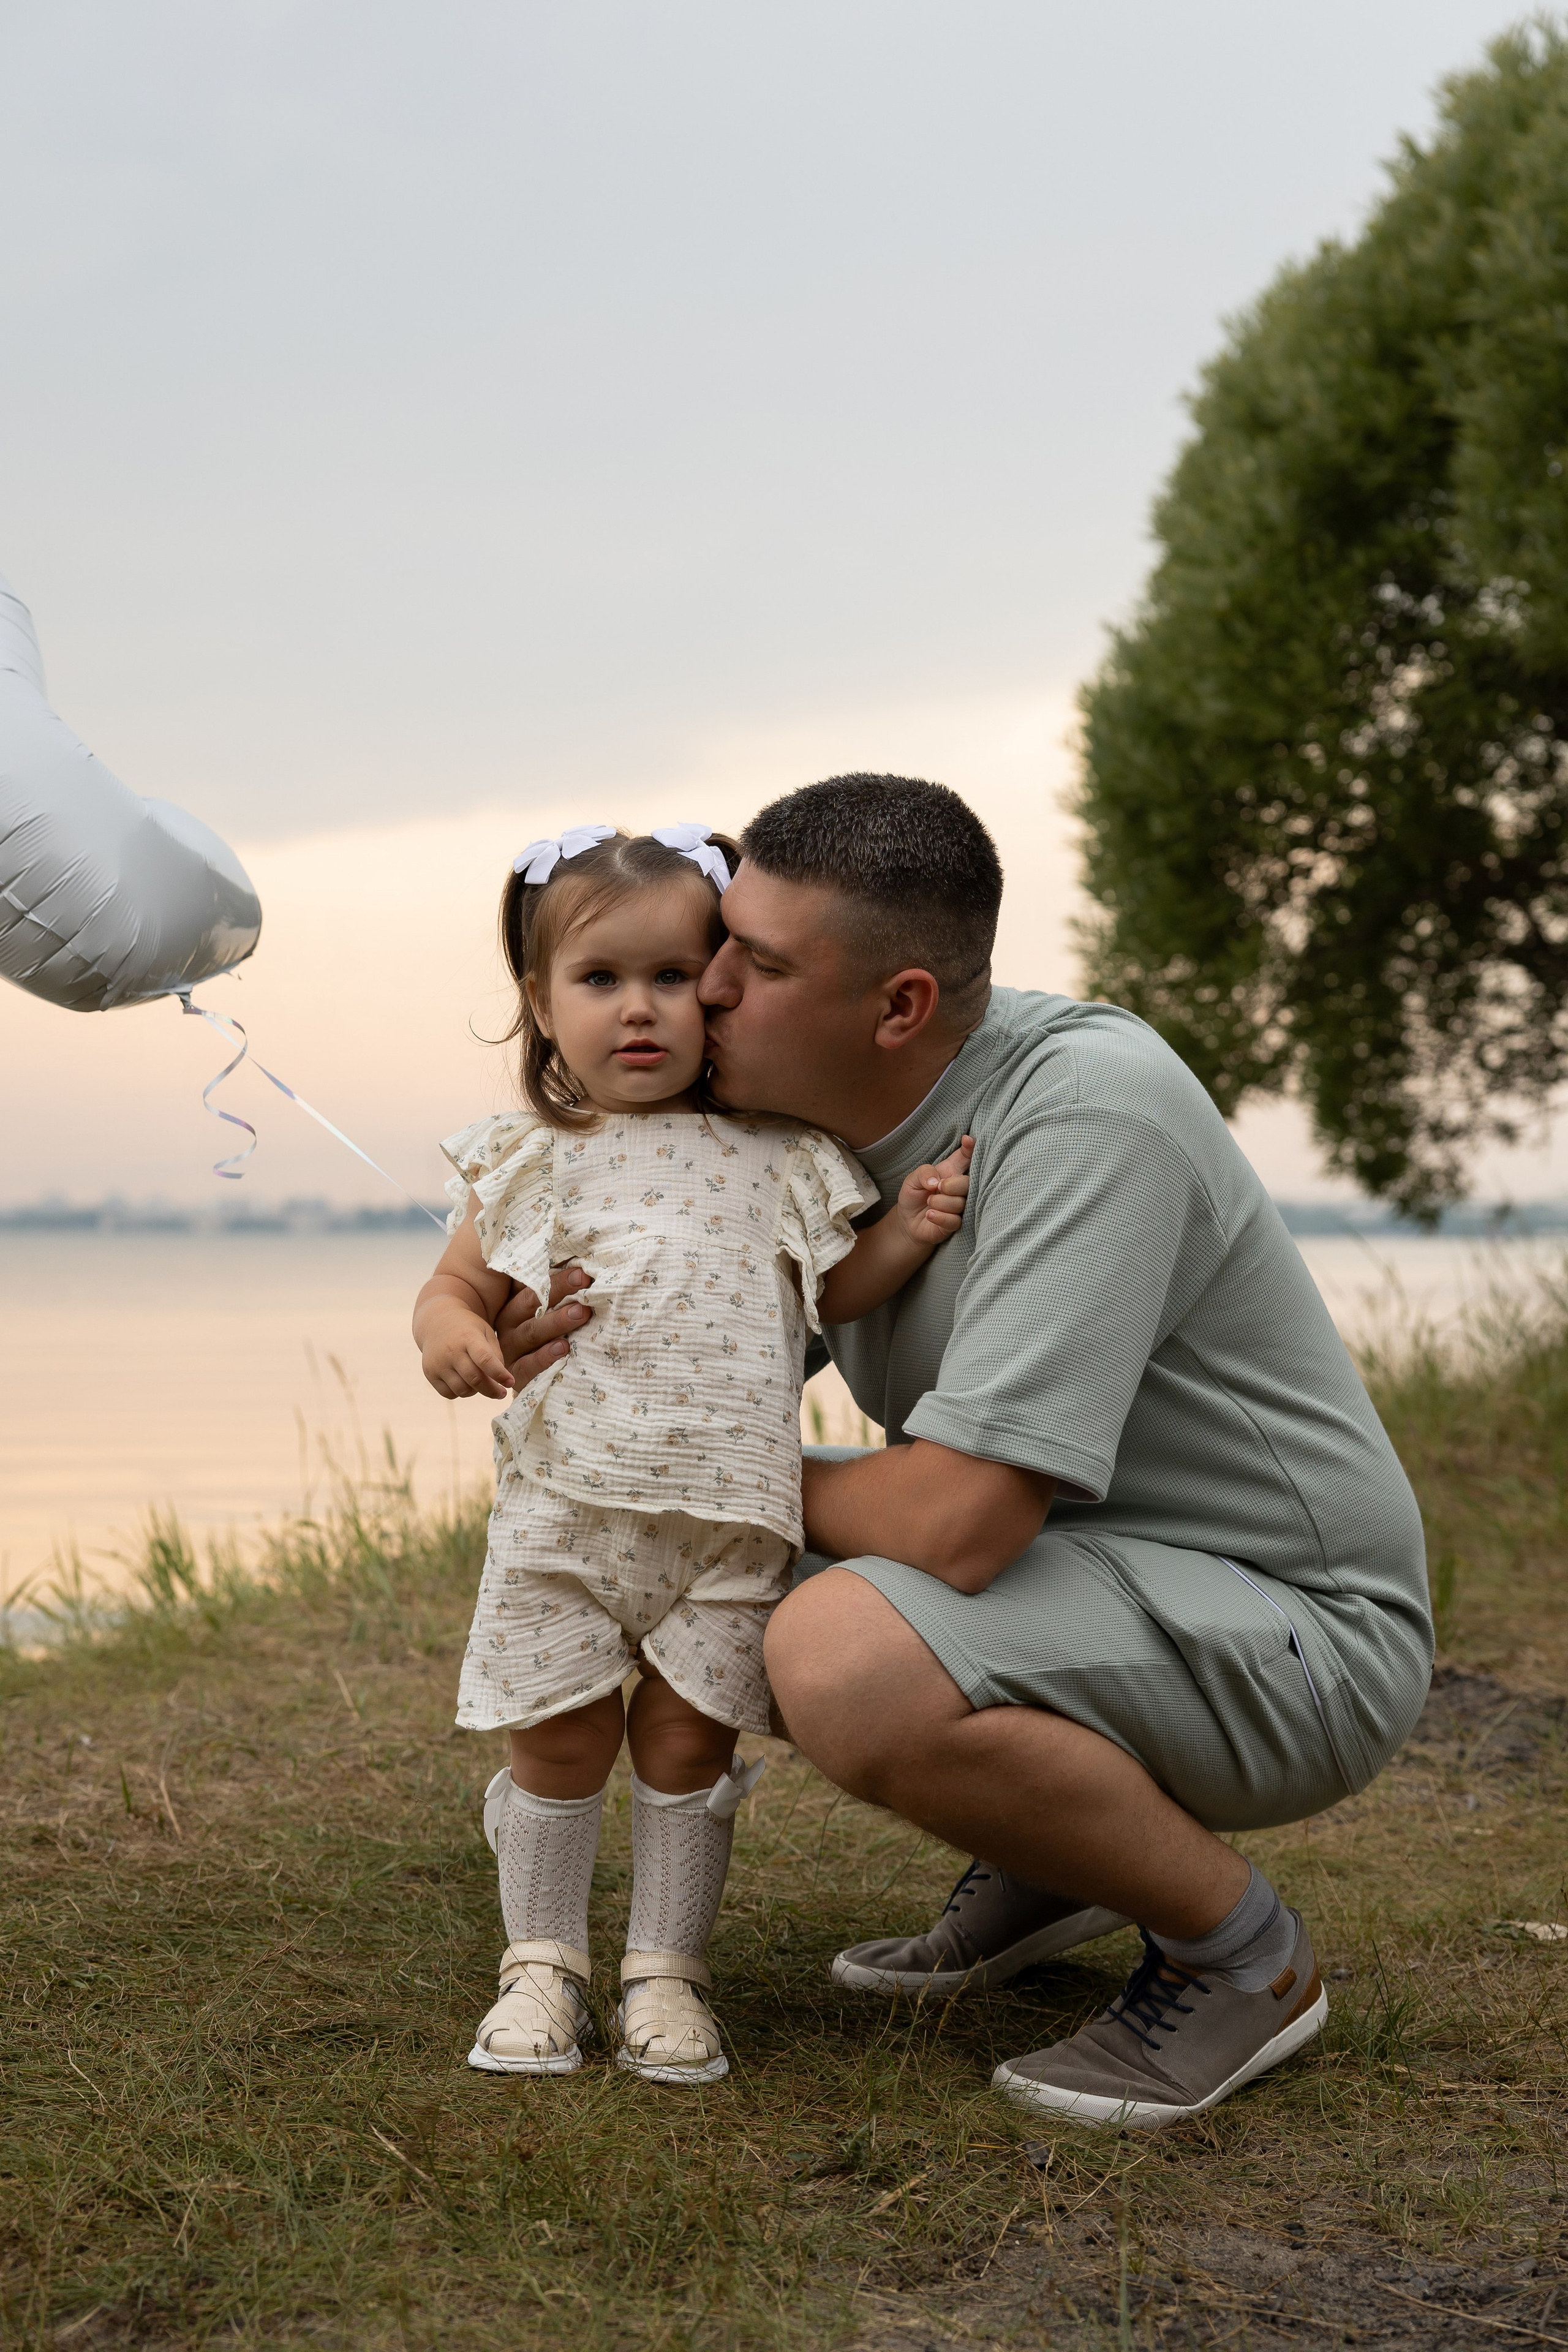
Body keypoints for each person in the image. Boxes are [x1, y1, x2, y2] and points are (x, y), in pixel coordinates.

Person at [497, 774, 1434, 2131]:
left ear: (900, 1007)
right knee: (705, 1571)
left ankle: (1243, 1959)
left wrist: (655, 1472)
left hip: (1302, 1635)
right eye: (717, 945)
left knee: (838, 1648)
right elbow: (698, 1370)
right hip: (1106, 1577)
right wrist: (546, 1339)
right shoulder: (800, 1133)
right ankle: (1056, 1859)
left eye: (751, 966)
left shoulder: (1085, 1117)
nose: (700, 991)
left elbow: (955, 1526)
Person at [412, 822, 973, 2087]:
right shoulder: (530, 1160)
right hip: (565, 1515)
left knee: (685, 1744)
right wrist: (452, 1338)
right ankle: (541, 1964)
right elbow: (451, 1288)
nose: (640, 1010)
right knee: (557, 1741)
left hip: (724, 1521)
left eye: (673, 976)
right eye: (599, 980)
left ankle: (666, 1971)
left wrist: (915, 1229)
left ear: (718, 988)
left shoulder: (782, 1156)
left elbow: (839, 1288)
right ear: (540, 1008)